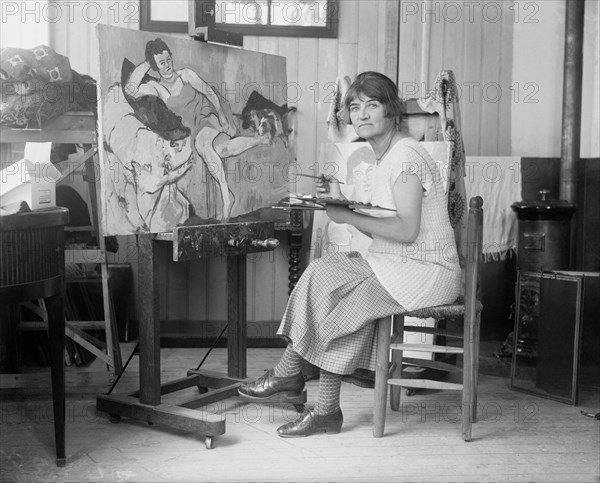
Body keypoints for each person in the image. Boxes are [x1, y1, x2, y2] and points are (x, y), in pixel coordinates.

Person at [238, 71, 462, 438]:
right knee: (321, 272)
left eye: (372, 105)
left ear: (391, 111)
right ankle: (297, 383)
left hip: (429, 271)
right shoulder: (383, 157)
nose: (362, 114)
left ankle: (301, 387)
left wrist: (348, 215)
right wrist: (343, 206)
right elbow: (385, 222)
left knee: (344, 303)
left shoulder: (406, 155)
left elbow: (406, 230)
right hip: (398, 264)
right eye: (355, 107)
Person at [125, 38, 272, 219]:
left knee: (202, 144)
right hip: (190, 126)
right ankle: (261, 139)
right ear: (155, 65)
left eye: (168, 59)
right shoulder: (156, 88)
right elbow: (131, 90)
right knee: (221, 150)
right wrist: (147, 62)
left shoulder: (185, 75)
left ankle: (227, 198)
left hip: (207, 113)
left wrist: (222, 117)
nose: (167, 65)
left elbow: (209, 92)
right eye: (161, 63)